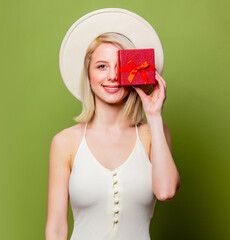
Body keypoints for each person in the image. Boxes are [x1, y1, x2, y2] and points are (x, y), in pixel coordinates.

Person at [45, 8, 181, 240]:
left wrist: (154, 115)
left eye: (121, 67)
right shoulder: (65, 142)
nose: (112, 76)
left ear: (134, 73)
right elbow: (56, 228)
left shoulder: (153, 133)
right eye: (101, 66)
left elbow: (166, 191)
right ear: (88, 75)